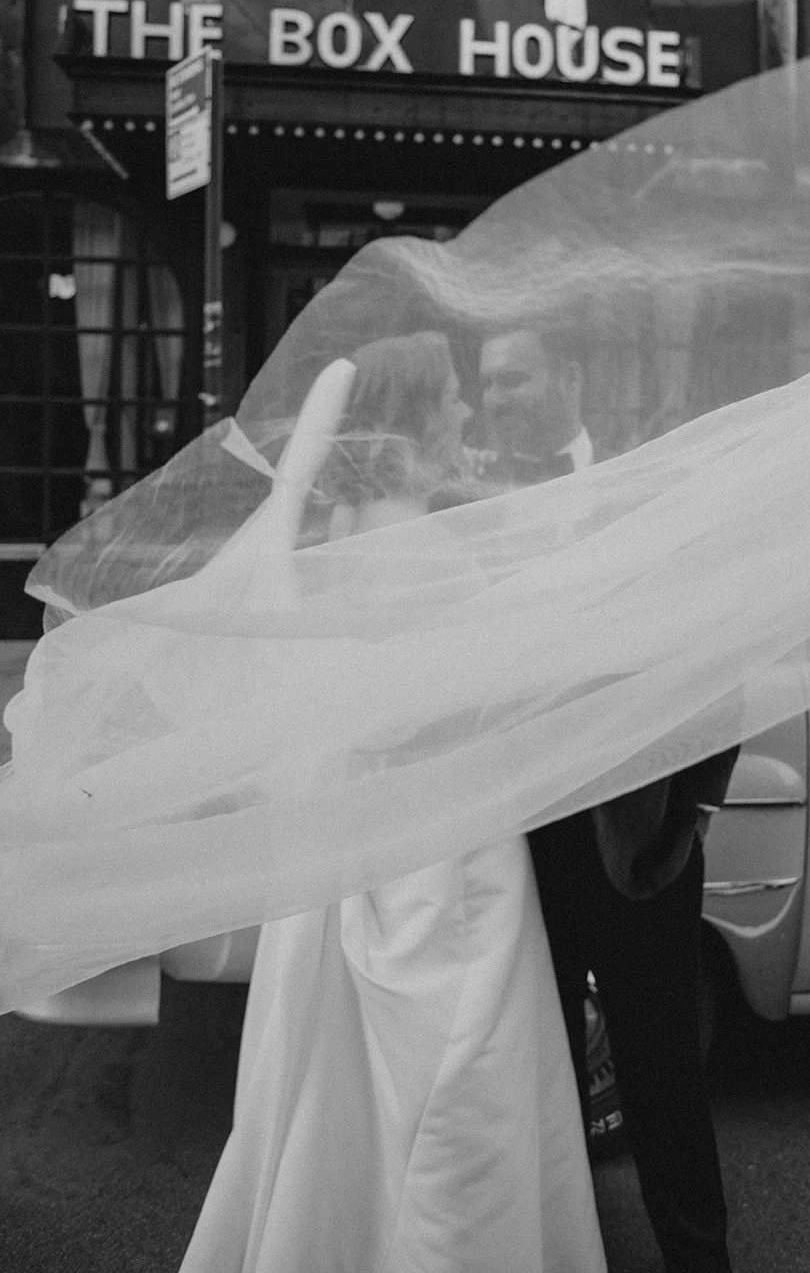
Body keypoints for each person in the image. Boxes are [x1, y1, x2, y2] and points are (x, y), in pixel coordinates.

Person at [179, 331, 607, 1273]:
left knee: (353, 1075)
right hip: (442, 847)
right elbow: (414, 711)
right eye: (452, 396)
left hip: (373, 839)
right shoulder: (411, 535)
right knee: (459, 1063)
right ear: (414, 414)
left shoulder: (347, 522)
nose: (466, 411)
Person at [479, 326, 738, 1273]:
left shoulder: (646, 490)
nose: (498, 398)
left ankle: (697, 1256)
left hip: (639, 839)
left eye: (516, 377)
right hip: (509, 846)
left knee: (661, 1068)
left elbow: (720, 650)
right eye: (487, 385)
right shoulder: (464, 511)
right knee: (534, 1068)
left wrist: (695, 812)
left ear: (573, 375)